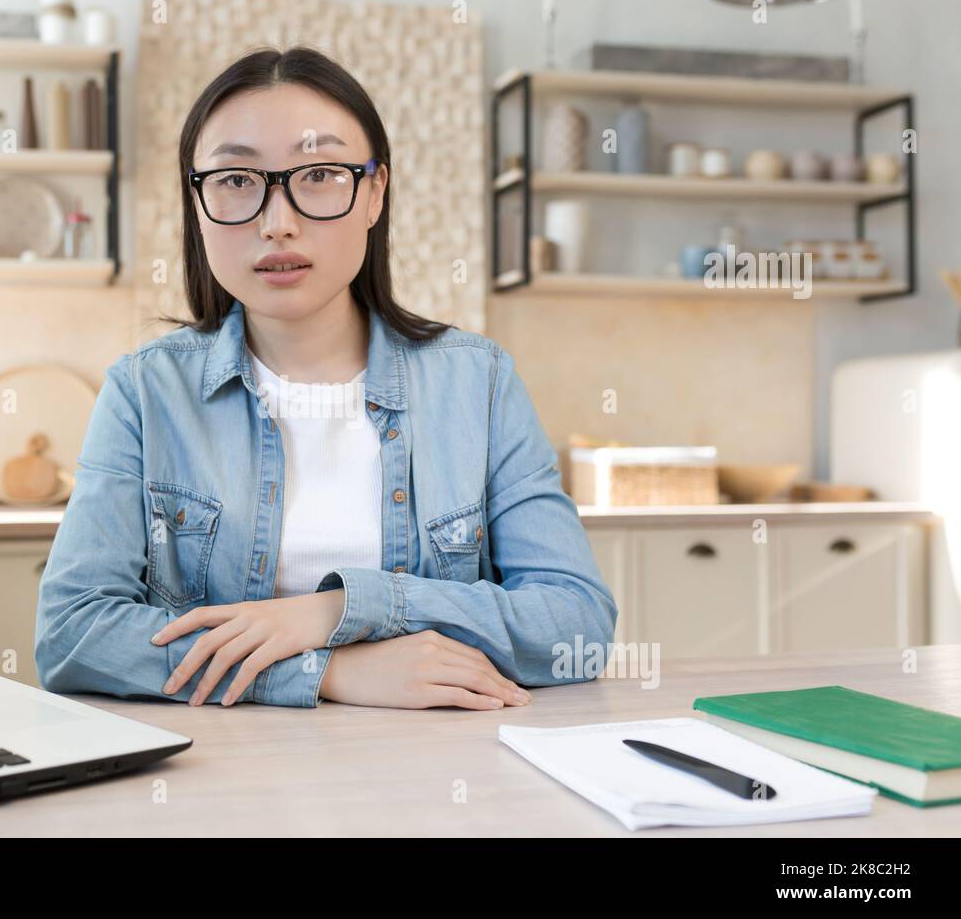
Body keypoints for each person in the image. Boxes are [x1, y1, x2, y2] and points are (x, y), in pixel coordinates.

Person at [35, 45, 616, 710]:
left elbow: (576, 626)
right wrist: (326, 672)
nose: (277, 223)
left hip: (443, 763)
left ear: (374, 193)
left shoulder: (478, 384)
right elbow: (72, 635)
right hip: (221, 765)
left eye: (318, 174)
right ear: (197, 203)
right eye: (235, 180)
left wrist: (339, 609)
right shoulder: (144, 392)